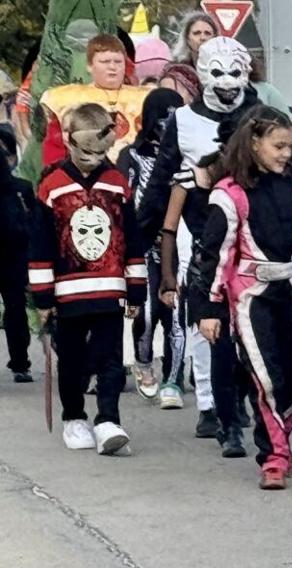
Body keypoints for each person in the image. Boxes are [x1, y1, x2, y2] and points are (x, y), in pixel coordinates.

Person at [193, 105, 292, 490]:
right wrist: (210, 309)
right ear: (255, 144)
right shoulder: (229, 193)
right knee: (266, 377)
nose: (287, 153)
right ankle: (274, 456)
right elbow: (215, 254)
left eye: (290, 146)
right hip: (251, 295)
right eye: (279, 146)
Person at [142, 36, 260, 446]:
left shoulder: (261, 115)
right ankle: (211, 405)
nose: (227, 82)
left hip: (252, 237)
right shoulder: (183, 120)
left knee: (250, 325)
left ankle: (242, 398)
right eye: (218, 71)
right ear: (201, 71)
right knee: (205, 324)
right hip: (200, 233)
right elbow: (161, 183)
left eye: (235, 71)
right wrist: (139, 238)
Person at [27, 103, 146, 455]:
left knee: (111, 356)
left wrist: (136, 290)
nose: (93, 159)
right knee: (74, 358)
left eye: (100, 152)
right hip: (67, 292)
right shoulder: (52, 185)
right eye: (85, 151)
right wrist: (43, 299)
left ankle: (108, 419)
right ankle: (74, 416)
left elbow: (132, 238)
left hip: (111, 289)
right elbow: (41, 243)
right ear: (69, 142)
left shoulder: (117, 185)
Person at [116, 88, 187, 407]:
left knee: (176, 312)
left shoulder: (187, 157)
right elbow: (123, 201)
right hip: (143, 244)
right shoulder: (132, 157)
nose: (167, 127)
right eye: (163, 120)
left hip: (178, 242)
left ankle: (173, 376)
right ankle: (144, 365)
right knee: (146, 310)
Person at [38, 33, 150, 168]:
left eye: (118, 62)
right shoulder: (67, 98)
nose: (112, 67)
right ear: (90, 66)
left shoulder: (146, 98)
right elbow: (54, 149)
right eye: (105, 62)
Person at [0, 127, 35, 383]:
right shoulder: (20, 187)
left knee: (15, 310)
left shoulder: (22, 188)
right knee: (15, 309)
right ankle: (20, 363)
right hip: (14, 257)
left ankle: (21, 361)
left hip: (14, 256)